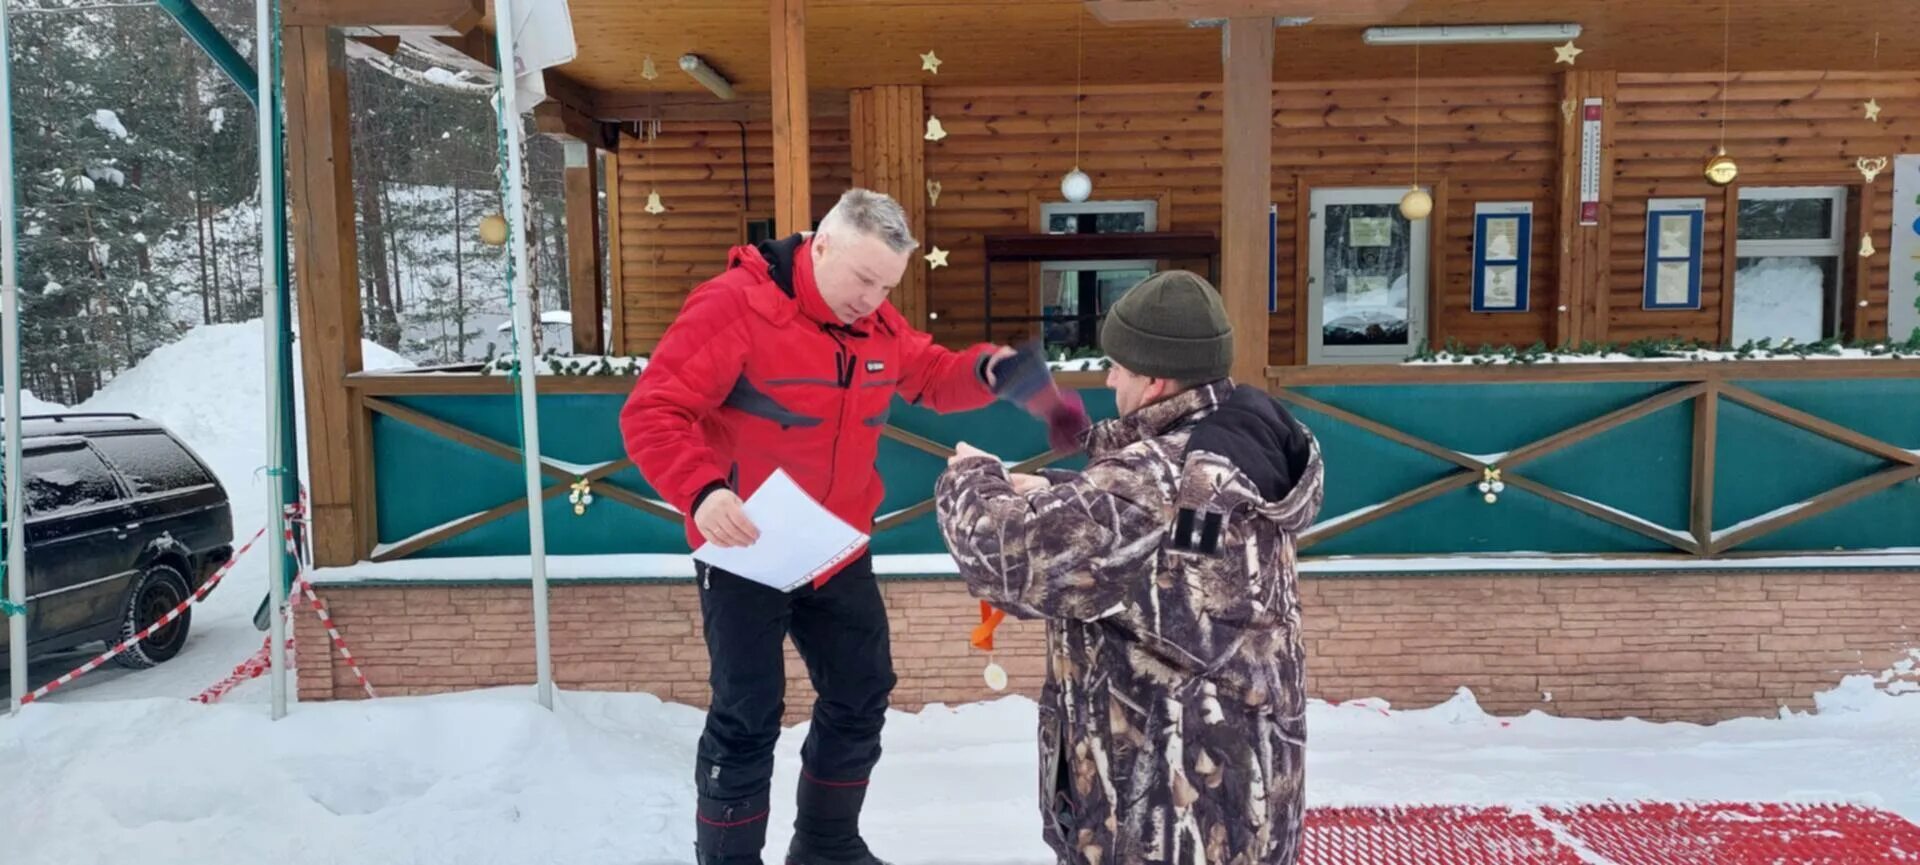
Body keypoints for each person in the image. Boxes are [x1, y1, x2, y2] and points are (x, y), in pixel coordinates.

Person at [621, 188, 1081, 865]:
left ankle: (826, 846)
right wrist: (701, 491)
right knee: (747, 714)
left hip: (834, 549)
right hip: (744, 548)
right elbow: (652, 411)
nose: (872, 298)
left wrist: (989, 369)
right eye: (864, 279)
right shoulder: (734, 306)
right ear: (822, 244)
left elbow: (930, 374)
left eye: (886, 285)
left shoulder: (876, 326)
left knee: (861, 693)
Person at [932, 270, 1324, 865]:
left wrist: (972, 474)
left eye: (1118, 365)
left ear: (1155, 380)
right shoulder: (1241, 441)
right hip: (1250, 799)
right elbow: (1163, 546)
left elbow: (1000, 556)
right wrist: (1062, 488)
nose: (1109, 376)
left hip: (1162, 817)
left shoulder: (1146, 482)